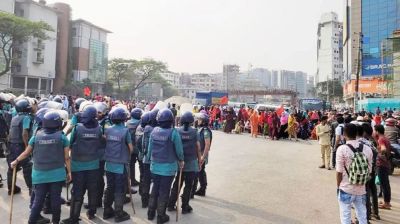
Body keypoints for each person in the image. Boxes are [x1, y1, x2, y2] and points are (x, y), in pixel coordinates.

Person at [11, 111, 72, 224]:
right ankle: (55, 222)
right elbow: (67, 158)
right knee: (55, 200)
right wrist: (69, 172)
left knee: (38, 201)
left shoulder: (35, 136)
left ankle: (31, 221)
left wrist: (16, 160)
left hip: (39, 175)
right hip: (57, 175)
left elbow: (26, 153)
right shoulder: (63, 138)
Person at [61, 105, 103, 223]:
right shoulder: (99, 128)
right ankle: (91, 213)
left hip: (77, 165)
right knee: (92, 189)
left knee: (77, 191)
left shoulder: (78, 128)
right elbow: (100, 141)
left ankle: (74, 218)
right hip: (93, 165)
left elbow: (70, 142)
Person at [147, 109, 184, 224]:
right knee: (164, 191)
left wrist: (149, 159)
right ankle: (161, 216)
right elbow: (179, 150)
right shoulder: (174, 133)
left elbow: (149, 149)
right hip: (168, 169)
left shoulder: (154, 131)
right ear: (172, 120)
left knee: (155, 189)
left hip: (155, 166)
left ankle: (150, 213)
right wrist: (181, 160)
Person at [336, 123, 373, 224]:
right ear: (357, 133)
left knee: (345, 216)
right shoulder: (367, 149)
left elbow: (339, 172)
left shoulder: (342, 149)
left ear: (344, 134)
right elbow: (369, 171)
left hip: (346, 188)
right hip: (361, 189)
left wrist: (338, 186)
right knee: (362, 216)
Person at [103, 107, 133, 222]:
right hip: (120, 166)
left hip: (109, 165)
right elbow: (130, 148)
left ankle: (107, 211)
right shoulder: (125, 131)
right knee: (119, 189)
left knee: (109, 188)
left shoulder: (108, 130)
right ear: (124, 119)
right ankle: (118, 213)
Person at [168, 111, 201, 214]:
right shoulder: (195, 132)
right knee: (188, 185)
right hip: (191, 162)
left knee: (177, 183)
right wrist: (200, 160)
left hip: (179, 162)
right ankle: (185, 206)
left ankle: (170, 204)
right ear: (191, 121)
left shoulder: (177, 131)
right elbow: (198, 147)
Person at [7, 98, 33, 195]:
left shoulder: (14, 117)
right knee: (27, 167)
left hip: (12, 145)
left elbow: (10, 133)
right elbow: (24, 133)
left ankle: (11, 188)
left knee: (12, 167)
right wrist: (27, 146)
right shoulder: (26, 117)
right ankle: (31, 189)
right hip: (21, 145)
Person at [359, 123, 380, 221]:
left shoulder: (361, 143)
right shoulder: (373, 142)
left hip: (366, 171)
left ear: (363, 132)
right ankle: (375, 212)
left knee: (365, 193)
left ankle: (366, 216)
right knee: (373, 191)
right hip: (374, 170)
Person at [192, 112, 212, 197]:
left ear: (203, 121)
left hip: (202, 154)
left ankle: (202, 189)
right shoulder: (200, 129)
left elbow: (207, 145)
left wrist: (203, 157)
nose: (198, 120)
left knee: (199, 171)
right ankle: (202, 188)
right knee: (200, 171)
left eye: (200, 119)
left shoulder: (206, 131)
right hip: (199, 154)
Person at [374, 125, 392, 210]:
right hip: (386, 164)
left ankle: (387, 203)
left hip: (381, 164)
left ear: (377, 131)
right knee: (386, 184)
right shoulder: (385, 138)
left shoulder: (381, 139)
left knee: (384, 184)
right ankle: (387, 201)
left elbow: (383, 149)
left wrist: (379, 154)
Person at [127, 108, 143, 188]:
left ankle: (132, 180)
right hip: (138, 147)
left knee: (131, 165)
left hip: (130, 146)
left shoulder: (127, 122)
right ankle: (142, 181)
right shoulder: (140, 122)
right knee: (141, 164)